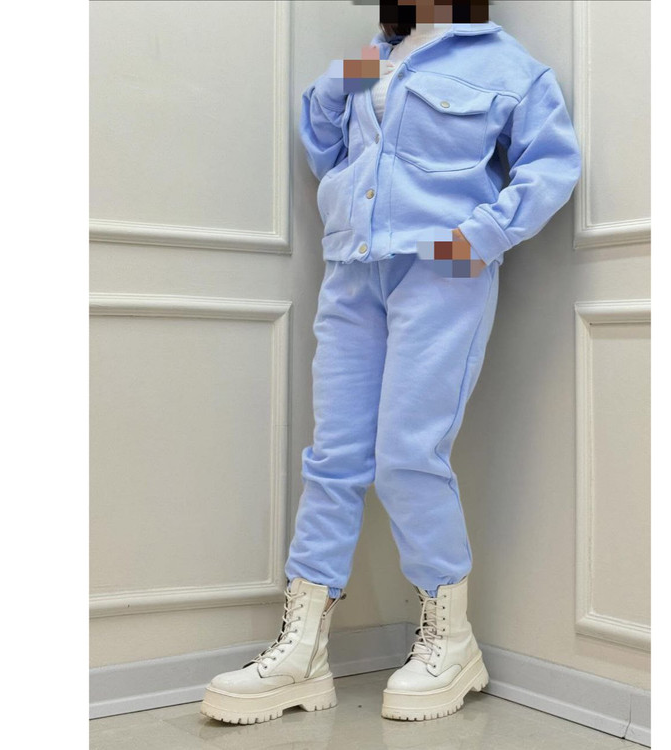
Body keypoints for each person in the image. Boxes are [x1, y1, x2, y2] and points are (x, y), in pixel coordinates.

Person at [201, 0, 582, 725]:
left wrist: (479, 238)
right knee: (334, 458)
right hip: (353, 269)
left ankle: (452, 642)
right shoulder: (376, 54)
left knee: (409, 454)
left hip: (442, 272)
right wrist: (365, 63)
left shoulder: (509, 66)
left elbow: (553, 164)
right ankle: (302, 652)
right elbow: (322, 137)